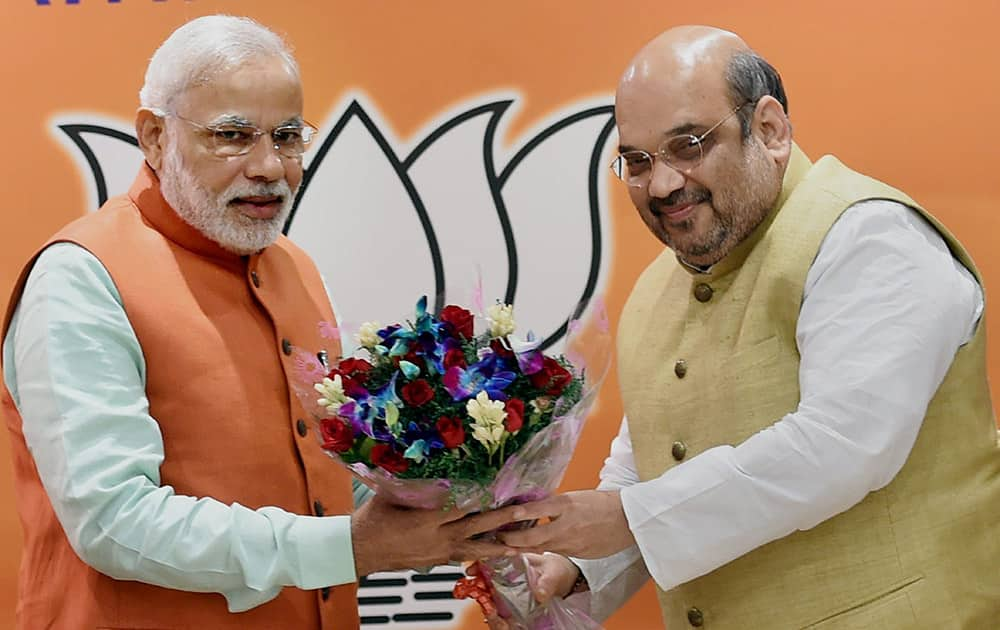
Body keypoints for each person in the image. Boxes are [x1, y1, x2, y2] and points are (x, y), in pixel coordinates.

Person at [1, 15, 512, 630]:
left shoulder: (294, 267)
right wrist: (351, 547)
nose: (270, 166)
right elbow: (114, 522)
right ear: (155, 137)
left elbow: (320, 478)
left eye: (288, 135)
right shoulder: (80, 278)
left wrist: (459, 510)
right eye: (233, 136)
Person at [487, 25, 1000, 629]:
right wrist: (573, 565)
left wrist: (626, 515)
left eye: (688, 145)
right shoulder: (655, 290)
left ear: (770, 129)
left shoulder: (870, 237)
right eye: (636, 160)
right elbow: (646, 467)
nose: (661, 184)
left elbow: (842, 447)